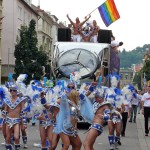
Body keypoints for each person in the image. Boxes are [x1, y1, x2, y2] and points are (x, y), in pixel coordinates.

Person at [1, 85, 27, 150]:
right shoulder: (7, 101)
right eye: (11, 90)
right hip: (8, 120)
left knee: (16, 137)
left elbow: (24, 112)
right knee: (8, 138)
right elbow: (4, 112)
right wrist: (1, 123)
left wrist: (24, 123)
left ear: (16, 91)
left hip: (16, 120)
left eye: (14, 90)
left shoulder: (21, 100)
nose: (12, 92)